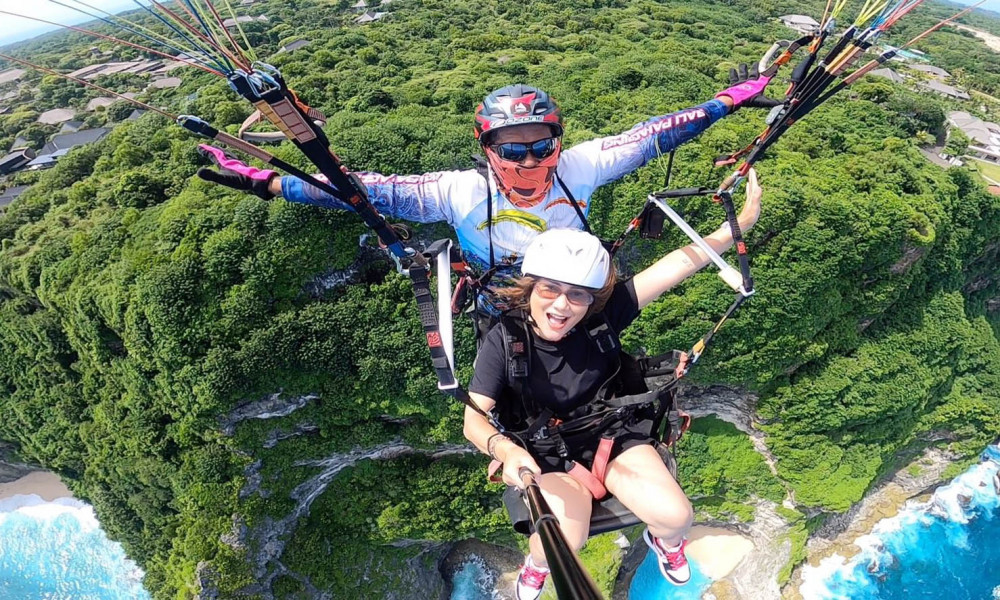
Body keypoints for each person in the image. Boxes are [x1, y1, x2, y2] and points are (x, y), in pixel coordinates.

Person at [197, 69, 775, 325]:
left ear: (557, 142)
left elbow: (657, 133)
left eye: (539, 146)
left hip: (576, 295)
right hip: (503, 299)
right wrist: (267, 183)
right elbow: (356, 192)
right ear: (487, 148)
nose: (528, 162)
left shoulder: (581, 166)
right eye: (511, 149)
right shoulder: (459, 191)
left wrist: (729, 101)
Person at [462, 169, 761, 599]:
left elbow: (678, 263)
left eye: (578, 294)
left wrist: (738, 225)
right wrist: (505, 450)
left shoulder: (603, 318)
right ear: (531, 287)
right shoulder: (506, 340)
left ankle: (664, 543)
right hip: (547, 454)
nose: (562, 305)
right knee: (560, 541)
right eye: (550, 289)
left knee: (677, 517)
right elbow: (474, 418)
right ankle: (539, 564)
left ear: (592, 299)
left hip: (613, 436)